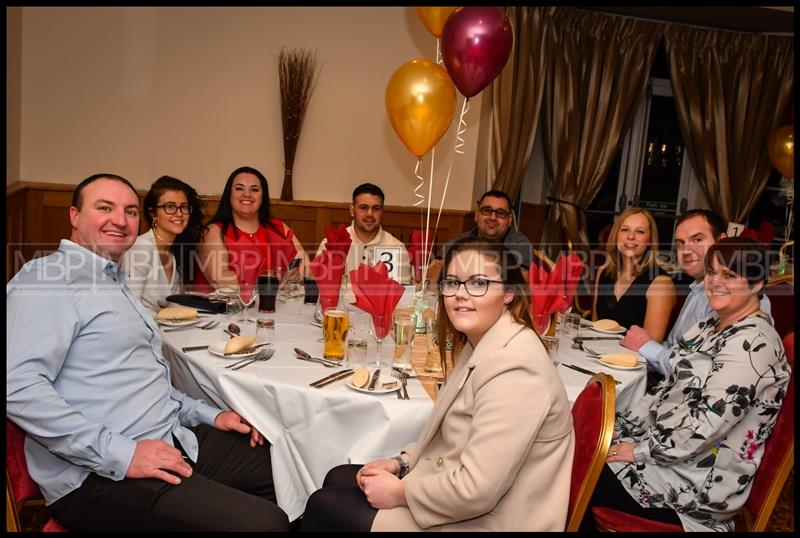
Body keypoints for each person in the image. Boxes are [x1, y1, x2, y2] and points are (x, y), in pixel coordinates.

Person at [6, 173, 289, 532]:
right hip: (97, 475)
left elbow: (141, 381)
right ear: (74, 216)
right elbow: (18, 388)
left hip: (170, 437)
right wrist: (124, 455)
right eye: (104, 207)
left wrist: (208, 414)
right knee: (267, 524)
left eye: (129, 211)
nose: (120, 220)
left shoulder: (115, 280)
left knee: (288, 466)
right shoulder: (48, 278)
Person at [301, 238, 574, 531]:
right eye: (453, 283)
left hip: (496, 518)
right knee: (337, 477)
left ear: (509, 293)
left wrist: (401, 492)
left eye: (479, 283)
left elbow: (477, 491)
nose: (461, 295)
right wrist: (401, 464)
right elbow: (448, 438)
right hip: (463, 487)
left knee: (323, 505)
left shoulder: (517, 369)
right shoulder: (484, 338)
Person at [580, 237, 790, 532]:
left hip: (693, 486)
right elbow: (666, 390)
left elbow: (707, 422)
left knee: (573, 475)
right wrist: (617, 430)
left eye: (729, 275)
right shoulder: (710, 325)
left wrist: (640, 451)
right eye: (712, 272)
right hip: (668, 455)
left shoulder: (753, 343)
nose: (715, 282)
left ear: (756, 285)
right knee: (574, 449)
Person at [622, 209, 772, 376]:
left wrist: (646, 345)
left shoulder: (743, 300)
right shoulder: (698, 289)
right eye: (680, 243)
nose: (685, 251)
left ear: (721, 241)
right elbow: (676, 347)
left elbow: (702, 371)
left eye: (697, 239)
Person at [194, 165, 309, 291]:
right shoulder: (213, 232)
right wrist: (277, 280)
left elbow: (305, 268)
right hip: (221, 309)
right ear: (229, 194)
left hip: (270, 306)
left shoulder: (280, 228)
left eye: (254, 190)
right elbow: (220, 281)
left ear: (263, 196)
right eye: (239, 188)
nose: (247, 194)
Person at [120, 175, 205, 311]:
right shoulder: (142, 248)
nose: (179, 213)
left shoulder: (174, 251)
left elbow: (174, 304)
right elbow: (129, 306)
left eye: (183, 207)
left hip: (168, 329)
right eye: (170, 207)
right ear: (153, 213)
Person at [592, 207, 675, 340]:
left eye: (640, 232)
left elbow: (651, 345)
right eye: (624, 230)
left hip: (635, 359)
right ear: (616, 235)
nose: (631, 236)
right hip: (597, 357)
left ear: (649, 240)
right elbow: (595, 326)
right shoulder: (603, 272)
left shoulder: (660, 283)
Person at [314, 182, 411, 285]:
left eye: (376, 208)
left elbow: (404, 293)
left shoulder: (397, 247)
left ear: (382, 212)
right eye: (363, 207)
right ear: (352, 211)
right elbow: (317, 286)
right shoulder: (331, 244)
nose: (370, 214)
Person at [427, 190, 535, 281]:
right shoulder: (461, 239)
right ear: (477, 215)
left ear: (509, 220)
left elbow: (520, 280)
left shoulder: (521, 244)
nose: (493, 217)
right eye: (487, 211)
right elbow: (433, 272)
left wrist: (462, 270)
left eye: (500, 213)